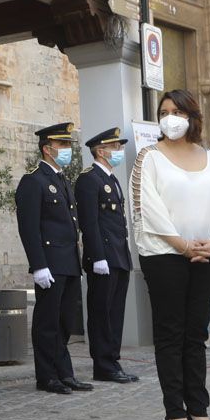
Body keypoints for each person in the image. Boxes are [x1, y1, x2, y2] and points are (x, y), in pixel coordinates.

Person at [130, 89, 210, 420]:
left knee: (197, 335)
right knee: (171, 335)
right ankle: (175, 414)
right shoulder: (150, 157)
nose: (170, 117)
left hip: (208, 254)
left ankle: (200, 412)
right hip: (165, 255)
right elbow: (148, 207)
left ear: (192, 116)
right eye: (164, 111)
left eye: (177, 111)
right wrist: (183, 244)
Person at [15, 123, 92, 395]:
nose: (67, 150)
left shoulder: (60, 179)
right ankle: (46, 376)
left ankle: (64, 372)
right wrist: (38, 265)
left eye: (67, 145)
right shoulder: (33, 181)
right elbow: (29, 227)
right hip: (50, 262)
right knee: (47, 322)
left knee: (65, 321)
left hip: (68, 260)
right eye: (62, 145)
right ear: (47, 149)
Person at [74, 128, 138, 384]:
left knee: (116, 312)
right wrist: (97, 256)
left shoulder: (111, 178)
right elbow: (89, 222)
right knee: (101, 313)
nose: (119, 152)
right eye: (115, 147)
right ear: (101, 151)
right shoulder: (89, 179)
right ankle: (102, 364)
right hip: (103, 258)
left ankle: (113, 360)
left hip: (118, 255)